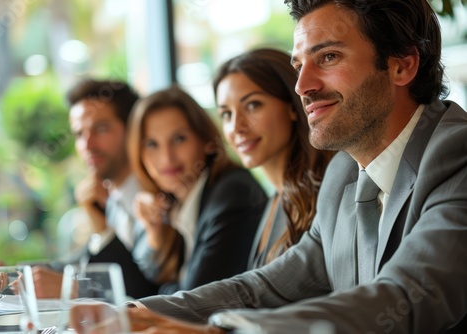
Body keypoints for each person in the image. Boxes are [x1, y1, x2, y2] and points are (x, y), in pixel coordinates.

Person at [69, 0, 467, 333]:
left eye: (328, 57)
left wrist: (219, 331)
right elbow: (262, 288)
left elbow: (407, 295)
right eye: (299, 65)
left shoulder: (457, 156)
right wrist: (135, 313)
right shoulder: (342, 176)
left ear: (402, 65)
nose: (303, 86)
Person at [0, 78, 159, 298]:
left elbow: (144, 291)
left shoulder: (156, 197)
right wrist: (7, 276)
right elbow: (80, 266)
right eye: (79, 133)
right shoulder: (111, 198)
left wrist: (101, 228)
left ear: (132, 130)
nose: (87, 145)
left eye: (101, 129)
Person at [126, 85, 267, 293]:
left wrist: (166, 289)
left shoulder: (232, 193)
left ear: (206, 140)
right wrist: (155, 233)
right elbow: (148, 281)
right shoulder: (173, 201)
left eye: (179, 139)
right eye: (152, 144)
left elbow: (196, 298)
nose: (166, 158)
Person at [213, 48, 333, 269]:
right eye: (226, 114)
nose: (237, 127)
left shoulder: (326, 192)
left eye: (252, 105)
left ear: (292, 107)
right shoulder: (275, 199)